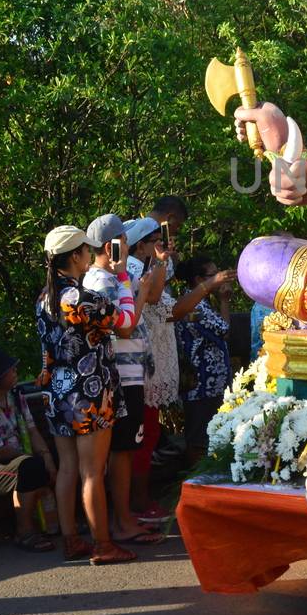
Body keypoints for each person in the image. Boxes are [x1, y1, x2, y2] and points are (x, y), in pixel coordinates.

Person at [37, 223, 135, 565]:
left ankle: (71, 540)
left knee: (68, 468)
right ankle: (103, 544)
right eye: (84, 251)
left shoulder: (44, 298)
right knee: (93, 470)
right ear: (76, 255)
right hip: (90, 393)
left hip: (57, 392)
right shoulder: (80, 298)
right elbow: (126, 323)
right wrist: (122, 279)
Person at [81, 214, 165, 547]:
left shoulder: (109, 278)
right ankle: (123, 521)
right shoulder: (102, 281)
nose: (128, 247)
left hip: (127, 372)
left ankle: (123, 519)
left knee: (126, 449)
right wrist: (136, 288)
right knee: (122, 451)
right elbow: (125, 325)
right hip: (120, 373)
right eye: (124, 242)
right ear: (110, 246)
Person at [0, 345, 57, 552]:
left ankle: (57, 522)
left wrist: (48, 458)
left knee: (55, 461)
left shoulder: (15, 396)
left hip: (16, 459)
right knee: (31, 467)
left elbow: (32, 430)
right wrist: (33, 459)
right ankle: (24, 531)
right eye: (9, 370)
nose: (15, 370)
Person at [126, 216, 176, 523]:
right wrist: (160, 262)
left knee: (148, 433)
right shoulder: (131, 268)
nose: (160, 245)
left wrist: (160, 262)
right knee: (141, 437)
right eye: (155, 241)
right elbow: (155, 297)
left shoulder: (143, 267)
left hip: (145, 363)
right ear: (140, 245)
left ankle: (139, 501)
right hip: (133, 367)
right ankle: (138, 503)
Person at [173, 256, 239, 458]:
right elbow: (224, 331)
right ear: (198, 280)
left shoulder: (197, 302)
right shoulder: (196, 306)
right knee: (200, 438)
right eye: (213, 276)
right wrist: (225, 301)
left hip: (206, 383)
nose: (219, 280)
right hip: (203, 383)